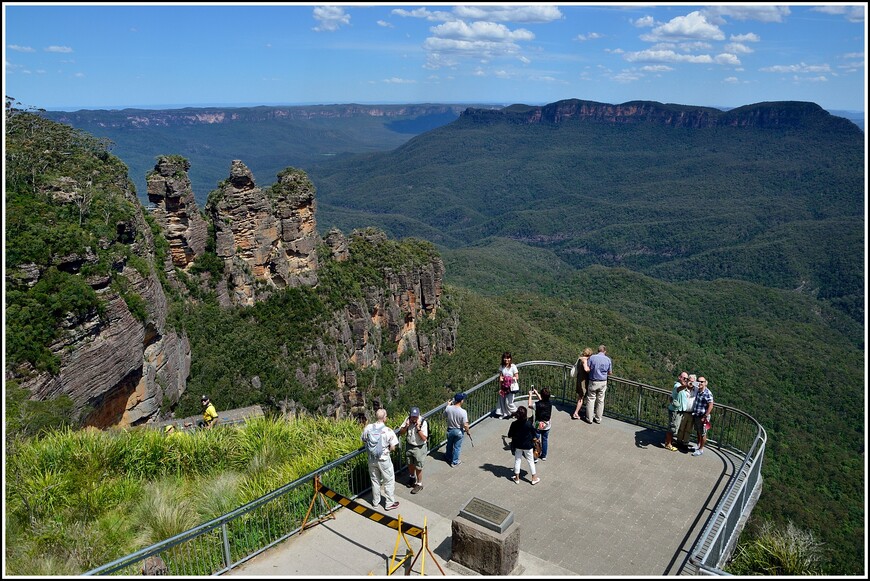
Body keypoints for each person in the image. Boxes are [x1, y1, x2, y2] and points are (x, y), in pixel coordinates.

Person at [361, 408, 400, 510]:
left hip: (371, 459)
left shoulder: (368, 428)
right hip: (384, 459)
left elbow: (363, 439)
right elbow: (393, 447)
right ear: (384, 418)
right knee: (389, 480)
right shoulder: (388, 431)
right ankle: (389, 503)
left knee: (375, 481)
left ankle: (375, 502)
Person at [397, 406, 428, 494]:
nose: (414, 418)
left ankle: (419, 484)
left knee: (418, 466)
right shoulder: (408, 419)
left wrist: (418, 428)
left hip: (419, 447)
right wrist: (406, 426)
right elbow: (401, 432)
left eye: (415, 417)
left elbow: (424, 438)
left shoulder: (423, 422)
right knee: (409, 463)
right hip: (409, 445)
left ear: (418, 415)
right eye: (412, 416)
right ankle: (411, 478)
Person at [507, 406, 540, 485]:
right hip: (528, 445)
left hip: (517, 445)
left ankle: (517, 477)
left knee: (517, 460)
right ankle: (534, 478)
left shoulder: (514, 424)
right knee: (531, 461)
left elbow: (509, 435)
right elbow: (534, 434)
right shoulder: (528, 424)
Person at [584, 345, 612, 424]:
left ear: (598, 350)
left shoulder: (592, 358)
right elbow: (610, 372)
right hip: (603, 382)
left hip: (593, 381)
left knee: (591, 399)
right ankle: (598, 418)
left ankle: (589, 419)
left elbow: (588, 369)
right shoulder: (608, 360)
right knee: (600, 401)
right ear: (605, 351)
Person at [664, 372, 690, 451]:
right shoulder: (677, 385)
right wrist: (686, 385)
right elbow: (678, 389)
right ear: (679, 377)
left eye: (687, 379)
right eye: (684, 378)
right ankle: (668, 444)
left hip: (679, 411)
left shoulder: (683, 387)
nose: (685, 380)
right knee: (672, 428)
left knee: (674, 428)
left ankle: (669, 442)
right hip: (675, 411)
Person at [444, 392, 471, 467]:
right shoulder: (463, 412)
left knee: (449, 444)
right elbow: (465, 424)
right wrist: (468, 432)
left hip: (450, 430)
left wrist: (448, 405)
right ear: (461, 401)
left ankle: (448, 457)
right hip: (459, 430)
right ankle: (454, 462)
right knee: (457, 447)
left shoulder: (449, 408)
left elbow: (444, 415)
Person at [690, 377, 714, 456]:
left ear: (705, 383)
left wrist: (705, 416)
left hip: (703, 417)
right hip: (697, 415)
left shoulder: (708, 393)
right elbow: (691, 384)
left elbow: (711, 405)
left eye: (702, 382)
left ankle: (701, 449)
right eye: (699, 381)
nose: (700, 383)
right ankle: (698, 445)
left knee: (703, 433)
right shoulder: (698, 390)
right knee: (698, 431)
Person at [529, 387, 552, 461]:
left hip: (538, 424)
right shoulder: (550, 404)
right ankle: (544, 455)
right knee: (545, 439)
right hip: (547, 424)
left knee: (536, 440)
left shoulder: (537, 404)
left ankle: (536, 456)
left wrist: (530, 395)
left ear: (541, 395)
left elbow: (530, 405)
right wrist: (536, 393)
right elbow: (542, 401)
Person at [676, 374, 698, 448]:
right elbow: (677, 390)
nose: (691, 383)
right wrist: (686, 385)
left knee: (688, 429)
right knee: (681, 428)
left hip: (691, 413)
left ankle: (685, 443)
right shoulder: (683, 389)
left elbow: (704, 388)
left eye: (693, 381)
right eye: (689, 381)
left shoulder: (696, 390)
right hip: (683, 411)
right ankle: (678, 441)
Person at [496, 352, 519, 419]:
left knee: (509, 402)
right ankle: (504, 414)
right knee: (502, 400)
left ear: (510, 358)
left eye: (508, 358)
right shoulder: (502, 367)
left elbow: (517, 377)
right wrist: (500, 387)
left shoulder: (513, 366)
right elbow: (500, 377)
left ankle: (517, 413)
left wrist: (508, 379)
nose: (506, 359)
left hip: (511, 387)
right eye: (505, 358)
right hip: (504, 386)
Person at [571, 347, 593, 419]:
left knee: (580, 396)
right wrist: (592, 369)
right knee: (581, 397)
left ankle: (578, 410)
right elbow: (586, 369)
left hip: (579, 379)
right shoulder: (584, 360)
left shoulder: (580, 359)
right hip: (583, 381)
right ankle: (576, 413)